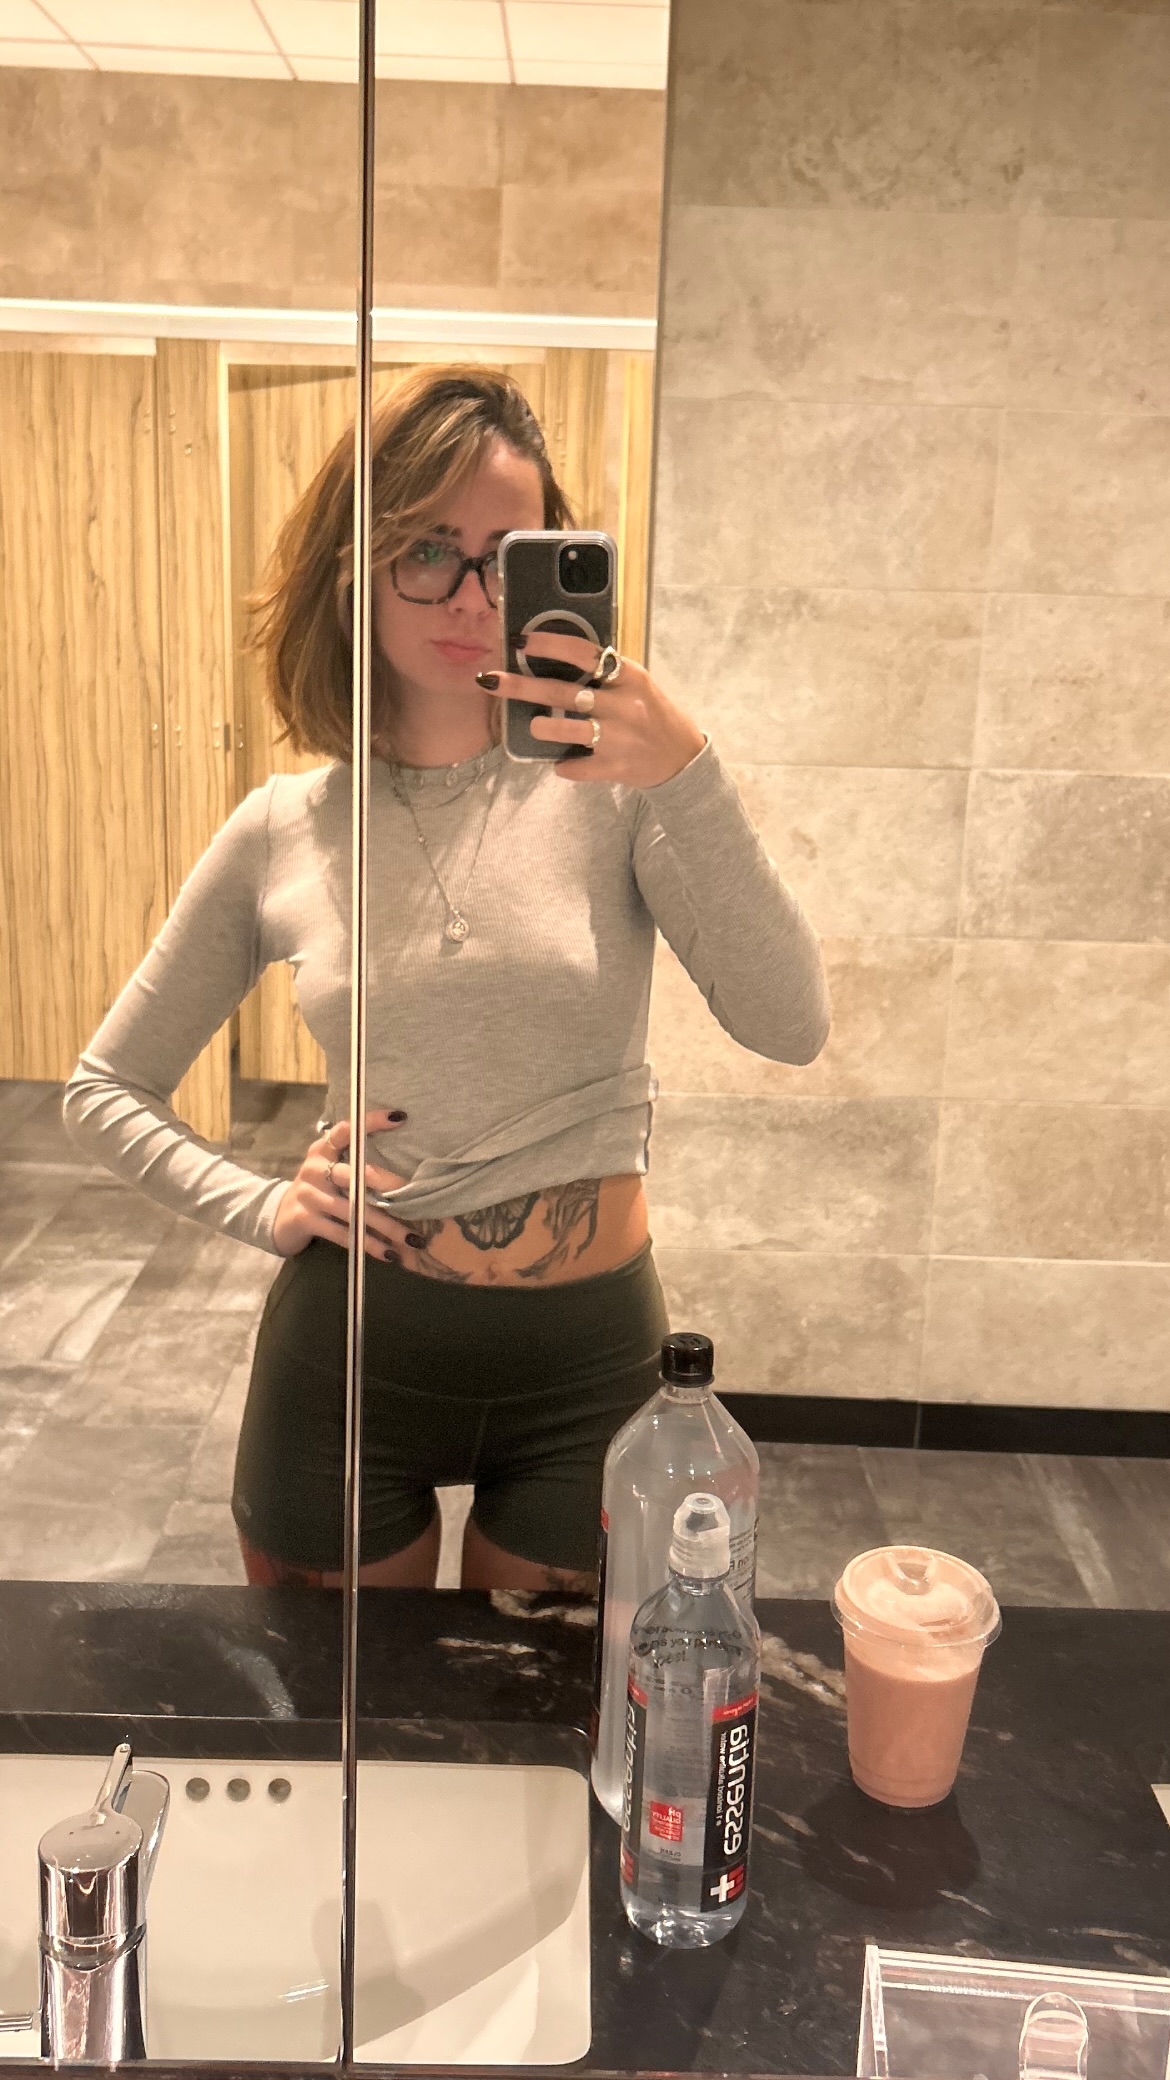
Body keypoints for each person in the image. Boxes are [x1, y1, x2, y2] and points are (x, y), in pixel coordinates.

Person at [64, 364, 830, 1593]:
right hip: (347, 1362)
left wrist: (688, 770)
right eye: (428, 550)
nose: (471, 595)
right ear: (355, 570)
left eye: (504, 556)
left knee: (527, 1713)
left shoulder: (621, 792)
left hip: (588, 1364)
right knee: (332, 1713)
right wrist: (261, 1206)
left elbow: (791, 1024)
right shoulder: (285, 827)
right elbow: (104, 1088)